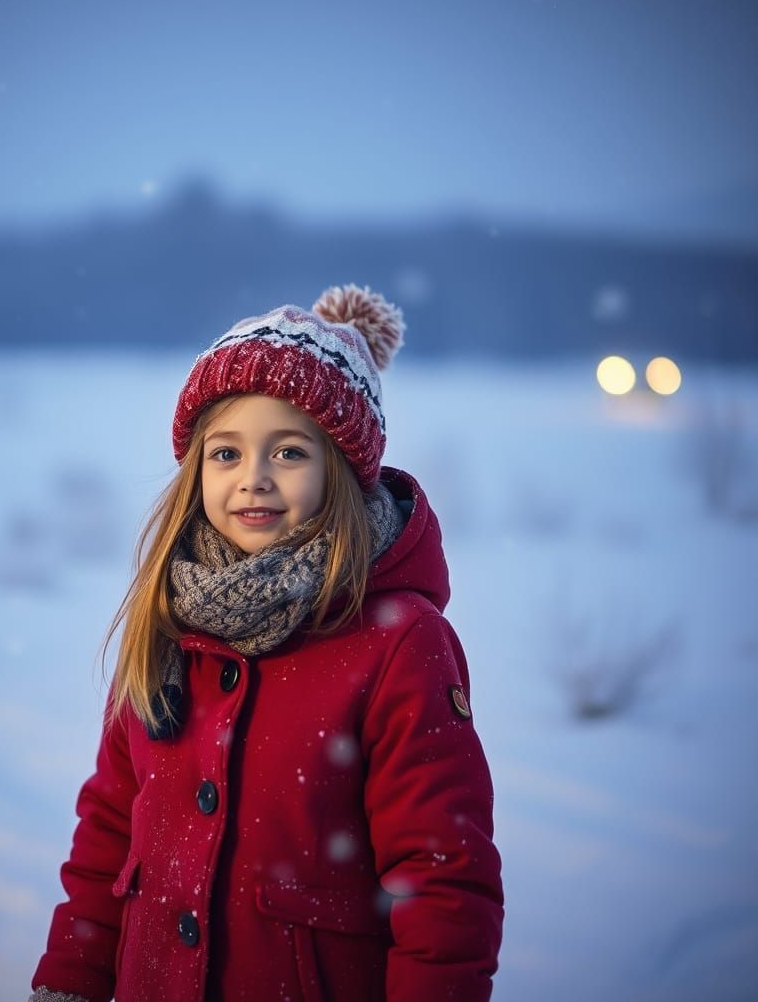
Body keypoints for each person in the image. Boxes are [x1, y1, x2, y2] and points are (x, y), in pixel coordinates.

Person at [29, 284, 504, 1002]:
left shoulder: (399, 642)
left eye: (288, 451)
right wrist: (68, 986)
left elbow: (443, 882)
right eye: (225, 453)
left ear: (340, 470)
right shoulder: (168, 618)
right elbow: (104, 845)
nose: (253, 478)